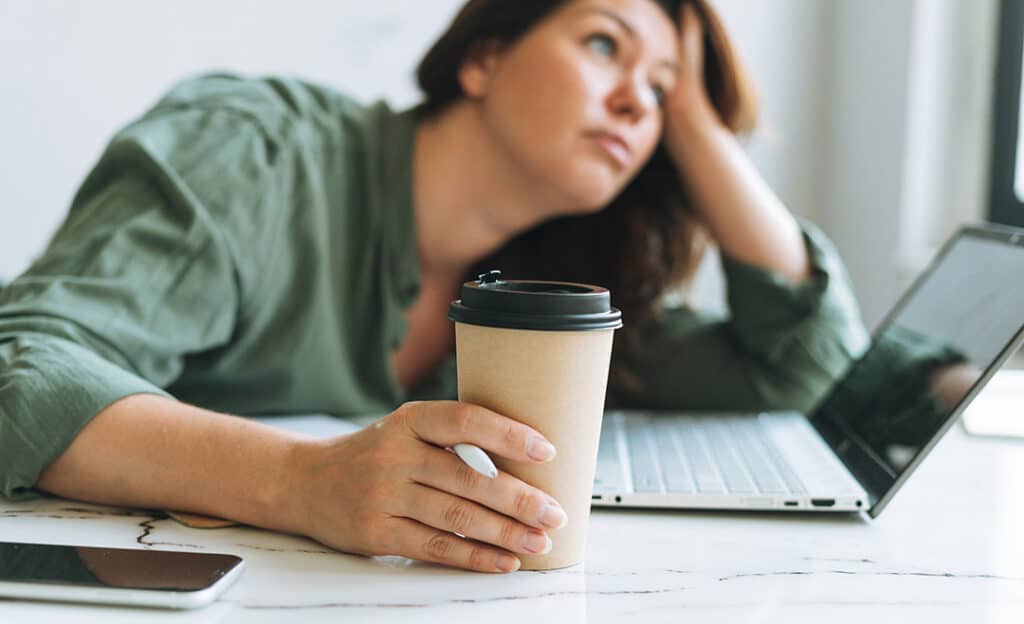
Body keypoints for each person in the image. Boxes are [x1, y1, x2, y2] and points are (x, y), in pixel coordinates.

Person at [0, 0, 867, 573]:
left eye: (660, 94)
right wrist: (302, 481)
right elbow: (23, 369)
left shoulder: (540, 294)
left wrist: (697, 122)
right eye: (606, 44)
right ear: (484, 58)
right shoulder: (253, 154)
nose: (637, 106)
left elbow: (799, 367)